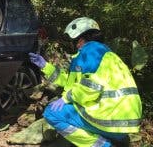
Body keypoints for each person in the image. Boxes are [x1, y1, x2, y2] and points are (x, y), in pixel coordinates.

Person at [29, 17, 142, 147]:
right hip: (125, 121)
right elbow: (69, 82)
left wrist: (66, 98)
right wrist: (45, 66)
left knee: (51, 113)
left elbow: (90, 87)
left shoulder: (90, 51)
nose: (74, 45)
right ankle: (115, 140)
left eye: (73, 41)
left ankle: (103, 145)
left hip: (109, 119)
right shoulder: (106, 54)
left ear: (80, 39)